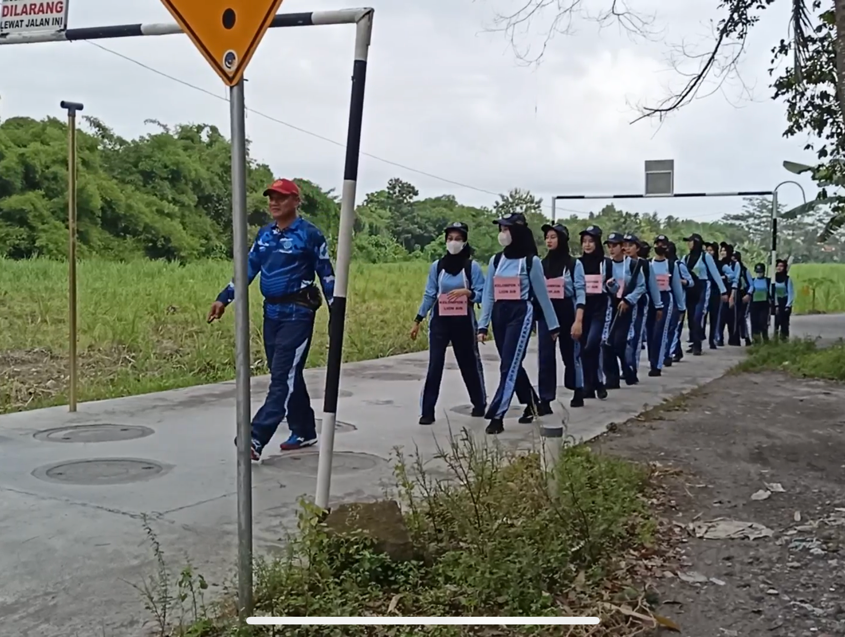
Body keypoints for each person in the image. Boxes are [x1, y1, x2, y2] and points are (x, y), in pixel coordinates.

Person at [208, 178, 336, 461]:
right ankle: (304, 429)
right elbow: (247, 269)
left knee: (282, 377)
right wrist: (223, 298)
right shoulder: (265, 235)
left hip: (298, 314)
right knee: (288, 374)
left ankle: (255, 436)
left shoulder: (310, 235)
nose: (274, 203)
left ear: (296, 201)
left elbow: (327, 274)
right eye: (271, 198)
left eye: (281, 197)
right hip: (272, 314)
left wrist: (335, 313)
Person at [478, 213, 560, 434]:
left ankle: (497, 414)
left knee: (508, 366)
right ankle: (533, 403)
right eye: (501, 230)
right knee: (510, 362)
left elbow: (542, 295)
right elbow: (488, 294)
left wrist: (553, 325)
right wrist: (482, 324)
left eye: (506, 229)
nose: (503, 234)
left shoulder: (531, 261)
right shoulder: (496, 260)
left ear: (517, 232)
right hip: (499, 314)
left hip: (520, 314)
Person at [411, 222, 487, 425]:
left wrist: (468, 293)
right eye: (450, 238)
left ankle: (479, 404)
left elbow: (483, 293)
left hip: (463, 321)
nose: (453, 242)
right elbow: (430, 293)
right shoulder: (438, 267)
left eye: (458, 239)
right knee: (435, 364)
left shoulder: (472, 267)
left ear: (465, 241)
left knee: (469, 362)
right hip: (440, 321)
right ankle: (427, 411)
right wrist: (418, 319)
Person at [537, 223, 587, 409]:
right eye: (547, 237)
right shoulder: (541, 265)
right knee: (545, 356)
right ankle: (545, 398)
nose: (549, 241)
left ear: (562, 239)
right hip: (546, 313)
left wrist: (578, 320)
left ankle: (577, 388)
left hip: (567, 311)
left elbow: (580, 291)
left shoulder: (574, 264)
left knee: (570, 354)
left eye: (553, 237)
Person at [602, 232, 646, 388]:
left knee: (619, 342)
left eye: (614, 246)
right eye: (609, 246)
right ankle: (611, 379)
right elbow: (604, 286)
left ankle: (628, 370)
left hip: (627, 308)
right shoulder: (606, 265)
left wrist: (628, 300)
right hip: (610, 307)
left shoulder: (633, 265)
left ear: (622, 247)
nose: (611, 249)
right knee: (606, 343)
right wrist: (610, 286)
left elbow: (641, 286)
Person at [577, 225, 612, 400]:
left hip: (600, 309)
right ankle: (589, 385)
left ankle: (598, 382)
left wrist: (609, 286)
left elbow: (615, 288)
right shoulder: (578, 263)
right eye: (584, 242)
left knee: (592, 345)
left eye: (591, 241)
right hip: (583, 309)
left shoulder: (606, 263)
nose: (587, 245)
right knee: (584, 348)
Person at [623, 234, 661, 380]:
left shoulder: (645, 265)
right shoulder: (620, 263)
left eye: (630, 245)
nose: (627, 248)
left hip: (640, 304)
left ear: (637, 248)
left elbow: (652, 286)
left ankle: (633, 367)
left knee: (636, 336)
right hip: (622, 304)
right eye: (624, 245)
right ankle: (625, 366)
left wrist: (658, 306)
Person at [682, 233, 727, 356]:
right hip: (690, 289)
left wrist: (723, 290)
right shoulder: (685, 258)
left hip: (703, 288)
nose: (688, 244)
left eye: (690, 241)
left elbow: (715, 273)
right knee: (691, 318)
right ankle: (693, 342)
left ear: (696, 242)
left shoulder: (705, 256)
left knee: (698, 316)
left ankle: (698, 345)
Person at [647, 235, 685, 376]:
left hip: (665, 299)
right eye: (657, 243)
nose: (660, 246)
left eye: (663, 244)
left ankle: (658, 364)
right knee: (650, 333)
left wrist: (681, 307)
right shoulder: (648, 264)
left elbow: (676, 286)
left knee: (660, 332)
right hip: (650, 300)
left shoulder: (671, 265)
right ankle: (652, 361)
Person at [665, 240, 692, 366]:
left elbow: (691, 282)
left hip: (678, 300)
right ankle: (676, 351)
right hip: (665, 301)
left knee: (674, 329)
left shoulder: (678, 265)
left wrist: (680, 281)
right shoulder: (661, 264)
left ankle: (669, 354)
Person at [746, 263, 772, 342]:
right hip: (754, 305)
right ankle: (756, 339)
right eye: (757, 272)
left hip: (764, 305)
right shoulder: (753, 281)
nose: (759, 274)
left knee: (763, 321)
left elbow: (770, 293)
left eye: (760, 272)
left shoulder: (768, 281)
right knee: (754, 322)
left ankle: (765, 337)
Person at [772, 258, 795, 340]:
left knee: (784, 322)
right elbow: (773, 292)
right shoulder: (773, 278)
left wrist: (788, 305)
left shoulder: (787, 279)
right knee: (776, 322)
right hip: (776, 302)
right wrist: (775, 304)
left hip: (785, 302)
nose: (779, 268)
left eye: (781, 266)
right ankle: (775, 339)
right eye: (778, 266)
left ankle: (784, 338)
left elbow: (791, 293)